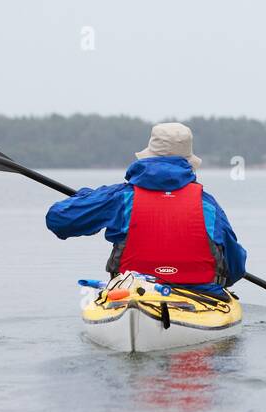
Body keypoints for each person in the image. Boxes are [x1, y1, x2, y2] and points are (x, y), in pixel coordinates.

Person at [45, 123, 246, 297]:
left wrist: (87, 198)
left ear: (148, 157)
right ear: (188, 162)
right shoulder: (208, 205)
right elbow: (236, 268)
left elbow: (58, 220)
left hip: (132, 295)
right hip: (200, 296)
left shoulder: (119, 197)